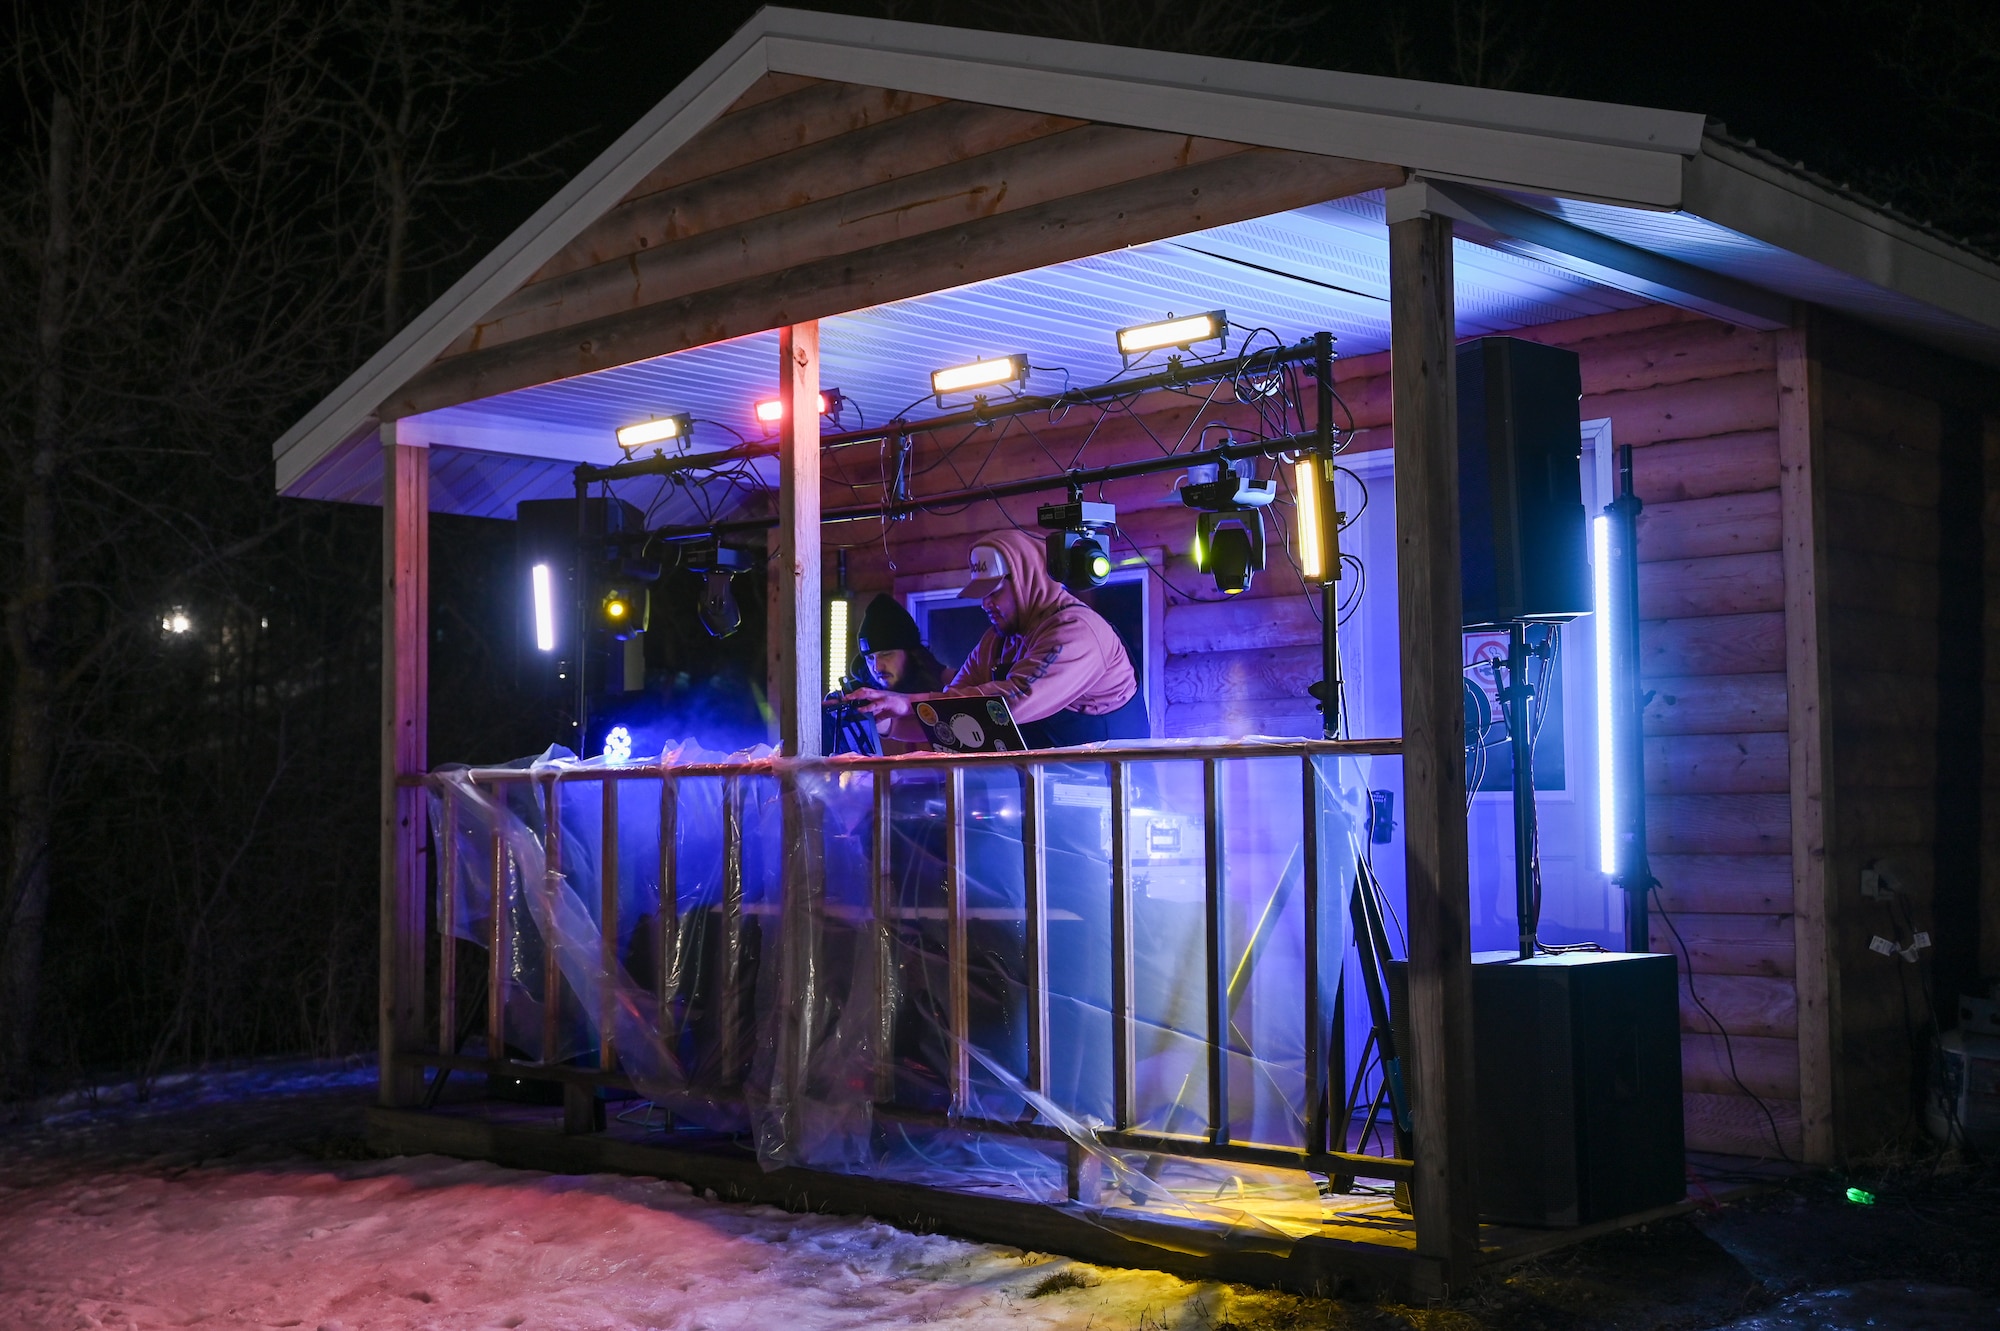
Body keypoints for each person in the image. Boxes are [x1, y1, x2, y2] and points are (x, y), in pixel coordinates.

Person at [848, 528, 1148, 748]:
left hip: (1112, 802)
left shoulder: (1077, 632)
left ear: (1025, 577)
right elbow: (946, 712)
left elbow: (1010, 704)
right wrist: (884, 720)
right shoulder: (998, 642)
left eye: (994, 592)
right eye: (981, 594)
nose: (985, 604)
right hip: (1047, 798)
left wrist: (906, 703)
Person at [851, 593, 947, 694]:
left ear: (911, 654)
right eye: (870, 658)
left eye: (886, 654)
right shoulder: (863, 700)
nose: (877, 667)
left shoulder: (947, 694)